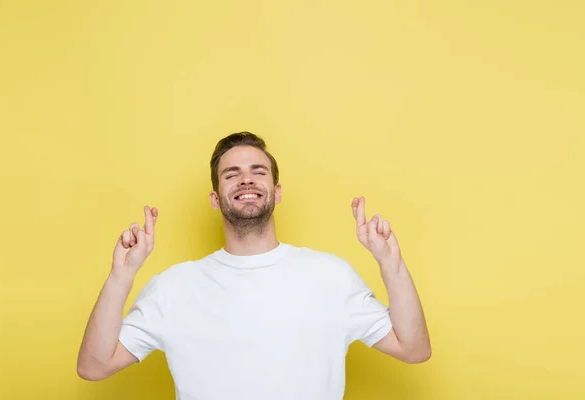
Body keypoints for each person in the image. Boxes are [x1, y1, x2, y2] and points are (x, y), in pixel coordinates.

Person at [77, 132, 431, 399]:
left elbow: (413, 349)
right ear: (215, 199)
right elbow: (94, 366)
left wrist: (390, 262)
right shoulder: (174, 287)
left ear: (276, 192)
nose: (246, 179)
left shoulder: (330, 277)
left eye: (257, 171)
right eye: (231, 174)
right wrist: (121, 275)